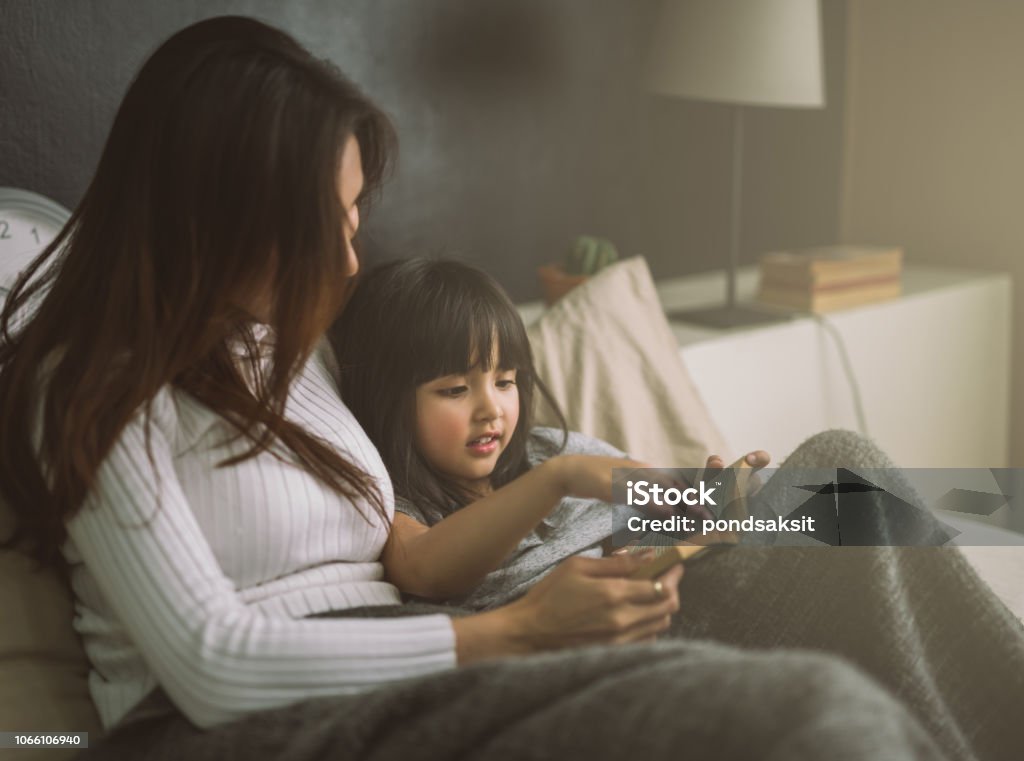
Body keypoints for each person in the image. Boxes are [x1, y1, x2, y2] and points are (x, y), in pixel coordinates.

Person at [0, 15, 1016, 761]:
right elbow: (214, 665)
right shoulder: (88, 382)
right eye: (331, 225)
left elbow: (556, 481)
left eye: (357, 220)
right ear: (224, 212)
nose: (349, 260)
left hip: (464, 627)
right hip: (262, 718)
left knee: (840, 476)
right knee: (810, 713)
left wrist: (703, 505)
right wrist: (522, 630)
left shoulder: (290, 351)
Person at [331, 257, 747, 611]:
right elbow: (425, 571)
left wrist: (699, 510)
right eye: (455, 389)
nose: (491, 409)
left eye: (505, 381)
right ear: (385, 400)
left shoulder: (553, 447)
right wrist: (559, 478)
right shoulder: (397, 506)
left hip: (688, 581)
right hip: (639, 633)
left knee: (785, 502)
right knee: (802, 507)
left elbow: (660, 518)